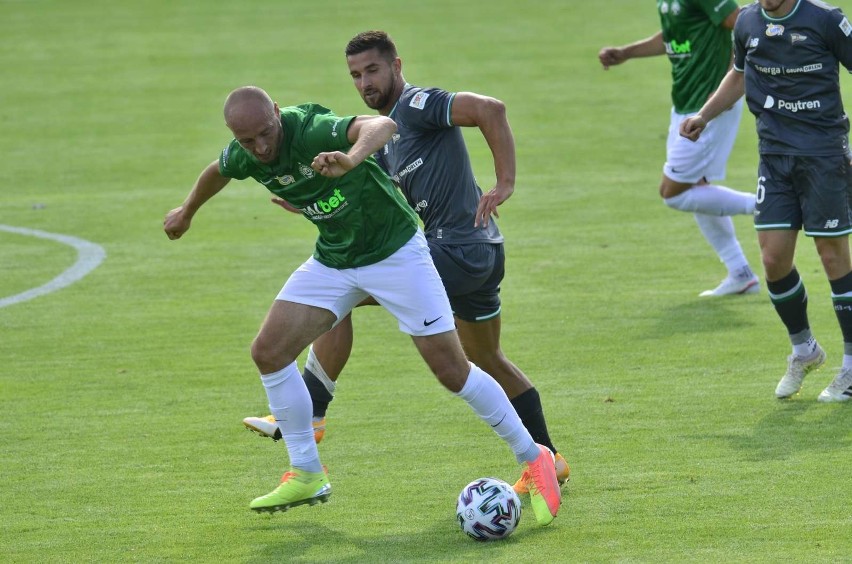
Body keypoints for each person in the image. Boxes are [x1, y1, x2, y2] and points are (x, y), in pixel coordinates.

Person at [163, 86, 562, 523]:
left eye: (265, 133)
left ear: (277, 113)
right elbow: (217, 171)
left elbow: (383, 125)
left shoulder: (311, 128)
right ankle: (306, 471)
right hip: (335, 260)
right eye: (247, 141)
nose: (260, 147)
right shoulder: (245, 153)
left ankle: (534, 456)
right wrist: (186, 211)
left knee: (452, 371)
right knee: (269, 351)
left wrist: (351, 158)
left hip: (396, 254)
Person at [241, 30, 570, 494]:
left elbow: (489, 109)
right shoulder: (386, 135)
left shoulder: (417, 104)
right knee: (486, 357)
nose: (364, 82)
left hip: (456, 249)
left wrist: (505, 181)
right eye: (355, 75)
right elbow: (372, 192)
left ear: (397, 66)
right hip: (481, 254)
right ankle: (549, 460)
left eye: (372, 70)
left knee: (342, 286)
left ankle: (312, 409)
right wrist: (307, 198)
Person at [680, 0, 852, 402]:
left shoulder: (825, 20)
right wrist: (704, 115)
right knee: (774, 260)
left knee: (832, 257)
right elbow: (739, 75)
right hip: (774, 157)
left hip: (824, 155)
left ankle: (850, 365)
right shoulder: (748, 22)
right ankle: (804, 349)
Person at [598, 0, 761, 297]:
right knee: (696, 188)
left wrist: (729, 82)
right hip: (685, 104)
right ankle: (740, 272)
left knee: (673, 192)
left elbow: (747, 29)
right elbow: (674, 36)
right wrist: (627, 53)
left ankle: (766, 206)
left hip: (708, 108)